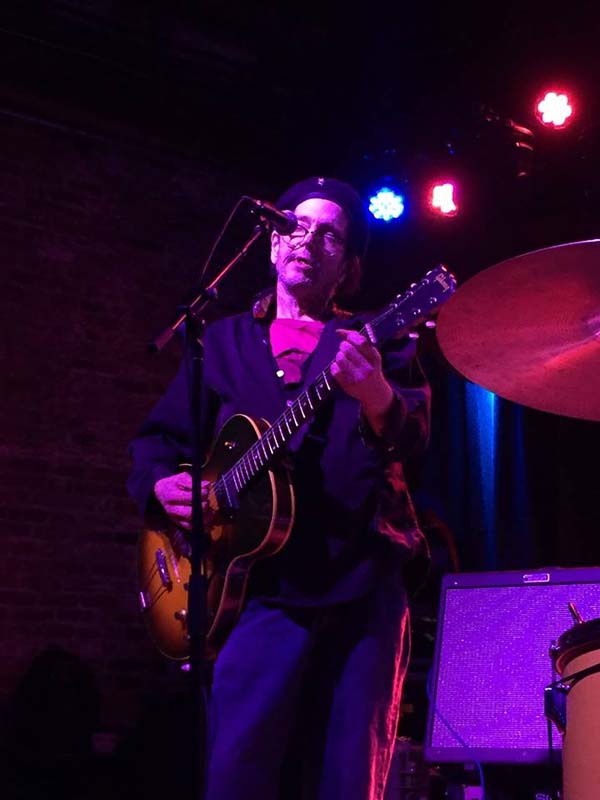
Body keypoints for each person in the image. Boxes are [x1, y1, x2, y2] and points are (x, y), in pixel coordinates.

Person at [127, 176, 431, 799]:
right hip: (256, 592)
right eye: (294, 226)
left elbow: (414, 437)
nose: (306, 241)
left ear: (346, 269)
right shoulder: (222, 342)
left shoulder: (378, 337)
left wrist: (375, 394)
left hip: (359, 584)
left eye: (328, 237)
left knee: (347, 780)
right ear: (270, 245)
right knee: (239, 773)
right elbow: (159, 443)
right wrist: (161, 485)